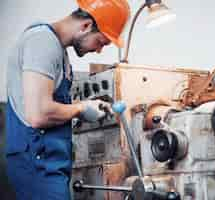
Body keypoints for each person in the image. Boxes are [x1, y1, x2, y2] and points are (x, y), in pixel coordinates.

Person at [5, 0, 130, 199]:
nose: (98, 50)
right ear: (86, 26)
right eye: (100, 42)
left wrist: (81, 109)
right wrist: (81, 108)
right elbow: (38, 114)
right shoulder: (42, 42)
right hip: (37, 162)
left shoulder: (57, 49)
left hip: (48, 163)